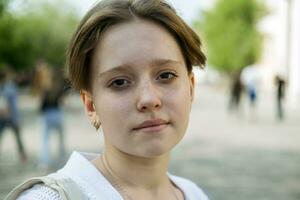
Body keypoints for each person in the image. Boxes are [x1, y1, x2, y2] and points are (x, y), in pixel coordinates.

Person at [6, 0, 209, 199]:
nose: (149, 98)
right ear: (91, 105)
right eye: (119, 82)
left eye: (166, 75)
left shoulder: (194, 193)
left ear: (190, 88)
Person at [38, 67, 66, 170]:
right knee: (61, 138)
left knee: (45, 139)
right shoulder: (58, 87)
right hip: (57, 113)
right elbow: (62, 102)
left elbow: (41, 104)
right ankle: (62, 159)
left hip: (47, 115)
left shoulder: (46, 88)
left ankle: (45, 162)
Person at [0, 68, 27, 163]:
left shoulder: (7, 87)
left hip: (3, 117)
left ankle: (23, 155)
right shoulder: (11, 87)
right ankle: (23, 156)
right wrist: (17, 118)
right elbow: (14, 105)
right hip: (11, 117)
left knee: (16, 137)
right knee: (18, 137)